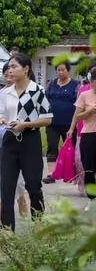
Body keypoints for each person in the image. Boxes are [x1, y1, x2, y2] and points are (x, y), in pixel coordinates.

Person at [0, 53, 53, 231]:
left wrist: (25, 125)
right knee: (6, 188)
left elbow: (47, 119)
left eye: (14, 66)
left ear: (26, 68)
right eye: (9, 67)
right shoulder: (6, 92)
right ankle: (7, 232)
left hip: (30, 141)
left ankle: (39, 226)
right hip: (10, 141)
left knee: (33, 186)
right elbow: (1, 113)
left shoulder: (38, 91)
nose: (10, 70)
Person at [0, 62, 27, 228]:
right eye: (6, 75)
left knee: (17, 179)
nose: (9, 78)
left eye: (12, 74)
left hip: (17, 142)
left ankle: (21, 195)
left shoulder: (23, 95)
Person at [43, 61, 79, 183]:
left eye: (63, 70)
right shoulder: (51, 84)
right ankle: (51, 174)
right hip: (52, 123)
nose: (60, 72)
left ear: (68, 71)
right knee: (52, 147)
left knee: (71, 149)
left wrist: (73, 126)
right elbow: (45, 100)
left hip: (70, 124)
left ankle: (72, 174)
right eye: (58, 70)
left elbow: (79, 104)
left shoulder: (75, 85)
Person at [74, 65, 96, 211]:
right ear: (92, 81)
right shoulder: (85, 95)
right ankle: (91, 200)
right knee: (89, 170)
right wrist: (90, 111)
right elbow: (77, 116)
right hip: (88, 135)